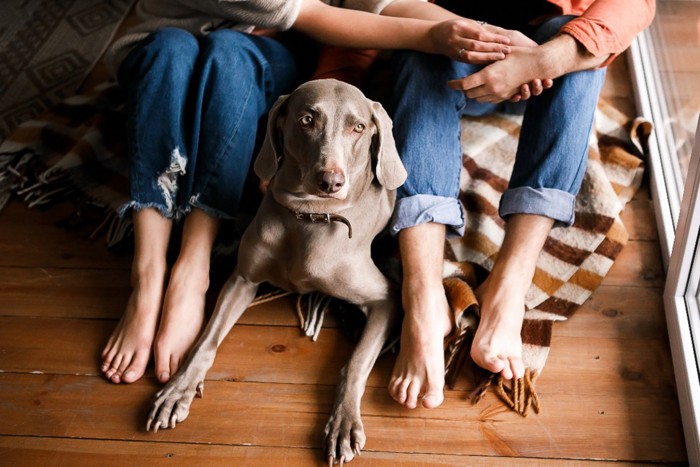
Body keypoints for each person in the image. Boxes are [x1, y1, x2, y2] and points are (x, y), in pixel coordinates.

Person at [99, 0, 515, 385]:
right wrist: (438, 33)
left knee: (228, 48)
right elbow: (313, 13)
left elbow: (375, 3)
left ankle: (193, 267)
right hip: (164, 46)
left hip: (260, 49)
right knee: (171, 48)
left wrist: (495, 41)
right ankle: (148, 277)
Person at [376, 0, 656, 409]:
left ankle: (509, 284)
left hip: (548, 66)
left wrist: (541, 61)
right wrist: (482, 39)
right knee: (418, 50)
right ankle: (422, 296)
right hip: (450, 53)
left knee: (581, 38)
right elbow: (382, 7)